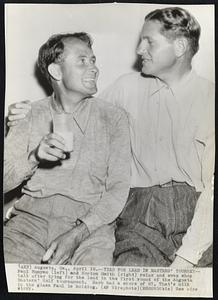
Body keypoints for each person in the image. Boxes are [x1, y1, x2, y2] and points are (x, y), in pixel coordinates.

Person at [7, 7, 214, 268]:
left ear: (180, 46)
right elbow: (76, 107)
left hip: (196, 208)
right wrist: (25, 117)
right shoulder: (126, 87)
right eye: (84, 60)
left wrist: (189, 255)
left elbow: (213, 191)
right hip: (140, 211)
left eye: (149, 41)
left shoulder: (210, 99)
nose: (139, 49)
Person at [4, 32, 131, 265]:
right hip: (29, 223)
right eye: (82, 61)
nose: (94, 68)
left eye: (93, 60)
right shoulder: (27, 114)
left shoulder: (114, 118)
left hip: (90, 227)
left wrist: (79, 232)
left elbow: (118, 190)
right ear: (56, 71)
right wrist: (33, 157)